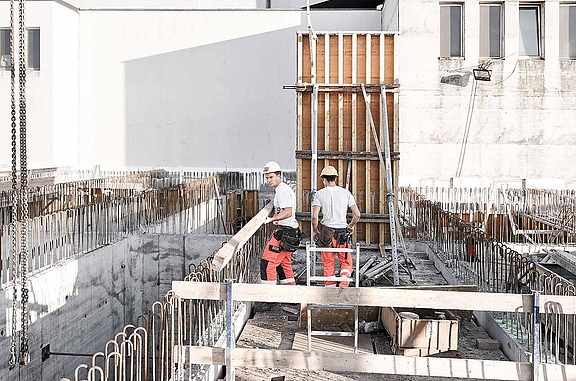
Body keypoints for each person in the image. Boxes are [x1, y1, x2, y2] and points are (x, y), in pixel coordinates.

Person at [311, 165, 361, 288]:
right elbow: (357, 214)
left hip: (326, 233)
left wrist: (315, 231)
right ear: (335, 178)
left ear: (324, 179)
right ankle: (344, 283)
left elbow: (314, 217)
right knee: (346, 261)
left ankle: (329, 289)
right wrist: (350, 226)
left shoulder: (319, 194)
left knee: (328, 263)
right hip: (342, 233)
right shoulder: (345, 192)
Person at [260, 161, 300, 285]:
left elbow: (288, 212)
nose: (269, 181)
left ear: (279, 175)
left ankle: (269, 297)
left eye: (271, 177)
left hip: (285, 232)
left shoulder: (282, 191)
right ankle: (290, 294)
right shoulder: (281, 189)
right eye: (267, 178)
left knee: (267, 264)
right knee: (284, 265)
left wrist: (272, 219)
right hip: (290, 232)